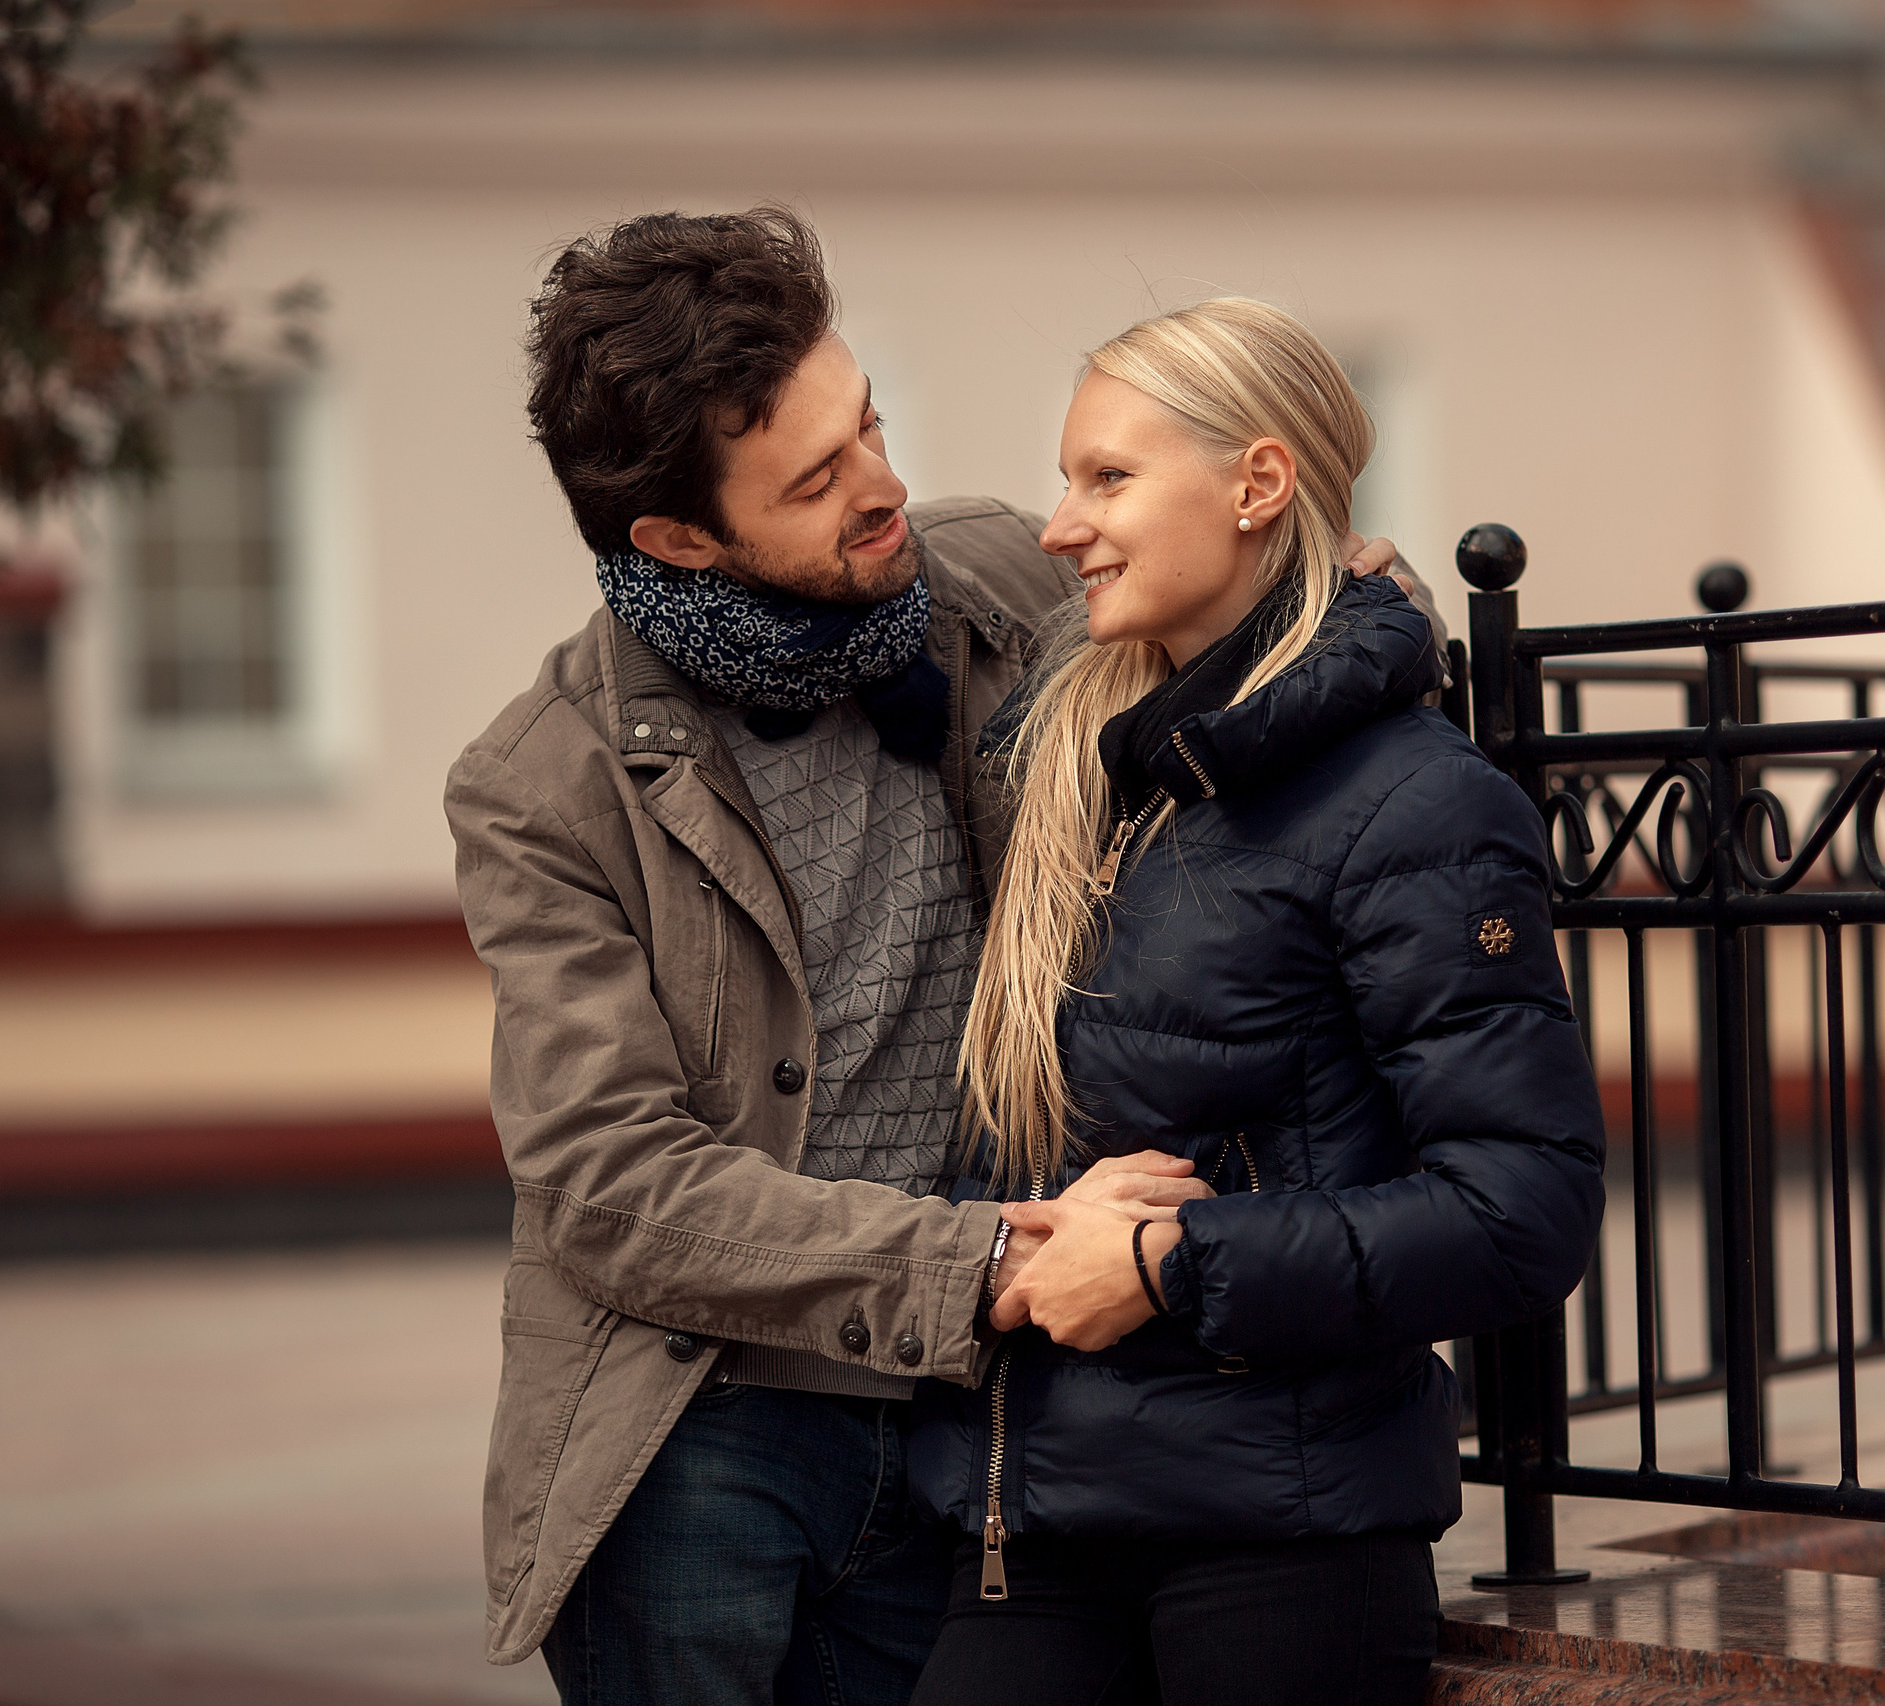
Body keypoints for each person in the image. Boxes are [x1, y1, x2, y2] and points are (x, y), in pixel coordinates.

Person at [445, 208, 1423, 1706]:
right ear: (679, 538)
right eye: (817, 478)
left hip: (977, 1421)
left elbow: (1297, 602)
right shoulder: (542, 778)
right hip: (702, 1437)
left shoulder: (990, 587)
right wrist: (974, 1263)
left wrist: (1353, 618)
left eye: (871, 421)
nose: (884, 486)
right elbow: (607, 1183)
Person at [905, 298, 1608, 1706]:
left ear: (1259, 484)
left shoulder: (1416, 806)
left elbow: (1520, 1212)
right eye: (1067, 478)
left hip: (1279, 1546)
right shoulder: (1072, 772)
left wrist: (1176, 1265)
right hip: (1025, 1517)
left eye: (1108, 477)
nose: (1060, 525)